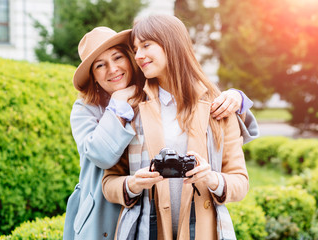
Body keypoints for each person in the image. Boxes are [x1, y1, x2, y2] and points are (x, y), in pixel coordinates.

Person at [64, 25, 257, 239]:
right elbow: (103, 157)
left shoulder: (148, 97)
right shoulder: (87, 109)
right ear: (93, 76)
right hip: (104, 213)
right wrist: (119, 102)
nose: (112, 69)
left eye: (118, 57)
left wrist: (236, 97)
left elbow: (229, 138)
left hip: (147, 215)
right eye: (100, 65)